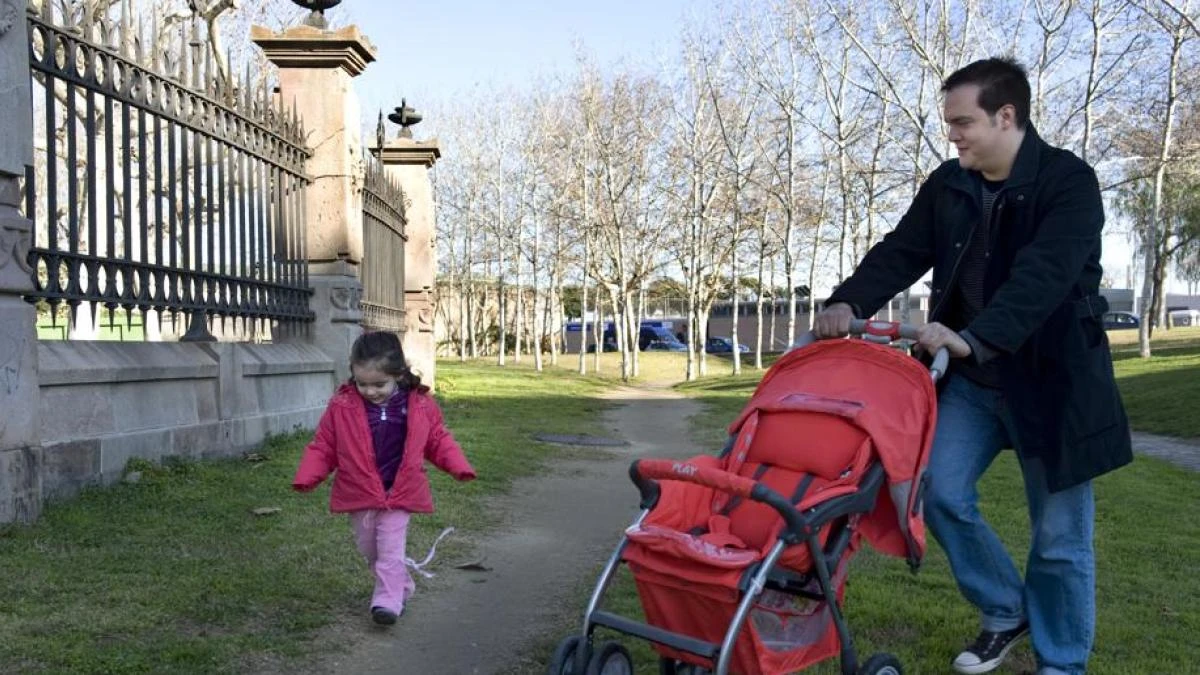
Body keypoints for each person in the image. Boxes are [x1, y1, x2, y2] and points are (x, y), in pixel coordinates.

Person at [814, 57, 1131, 675]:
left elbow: (1044, 276)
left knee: (1060, 539)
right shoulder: (949, 185)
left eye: (962, 122)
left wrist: (975, 336)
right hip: (972, 382)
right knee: (932, 490)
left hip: (1053, 383)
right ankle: (1004, 609)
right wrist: (847, 301)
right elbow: (900, 250)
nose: (952, 135)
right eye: (948, 123)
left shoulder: (1069, 182)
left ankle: (1061, 663)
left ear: (1005, 115)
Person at [293, 331, 476, 626]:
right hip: (359, 491)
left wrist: (458, 466)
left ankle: (388, 602)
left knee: (390, 549)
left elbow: (438, 439)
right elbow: (324, 444)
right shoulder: (342, 407)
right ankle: (401, 586)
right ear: (352, 374)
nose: (371, 391)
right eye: (362, 384)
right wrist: (308, 475)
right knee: (371, 550)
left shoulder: (420, 406)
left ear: (399, 375)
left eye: (379, 384)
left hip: (399, 492)